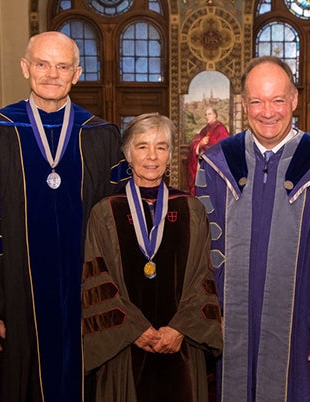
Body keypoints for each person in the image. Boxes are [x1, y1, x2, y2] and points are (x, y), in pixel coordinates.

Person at [0, 31, 128, 402]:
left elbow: (119, 227)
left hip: (87, 299)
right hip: (15, 298)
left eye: (62, 66)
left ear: (77, 73)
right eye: (42, 64)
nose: (52, 74)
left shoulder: (101, 137)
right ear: (25, 67)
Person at [195, 55, 310, 401]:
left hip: (302, 335)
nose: (268, 111)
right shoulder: (217, 167)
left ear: (294, 100)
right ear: (243, 104)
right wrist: (207, 315)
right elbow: (203, 252)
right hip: (232, 330)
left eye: (278, 100)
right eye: (257, 101)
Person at [81, 112, 223, 402]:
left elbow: (203, 278)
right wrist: (135, 329)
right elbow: (99, 283)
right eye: (142, 145)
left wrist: (179, 328)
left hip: (181, 342)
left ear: (171, 154)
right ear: (127, 153)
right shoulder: (106, 212)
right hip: (125, 345)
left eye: (161, 146)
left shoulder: (191, 209)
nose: (152, 156)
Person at [187, 107, 229, 195]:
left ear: (215, 115)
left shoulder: (220, 129)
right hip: (202, 164)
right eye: (205, 114)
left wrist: (206, 148)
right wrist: (200, 144)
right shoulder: (205, 129)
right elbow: (195, 141)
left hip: (214, 167)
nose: (207, 116)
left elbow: (224, 147)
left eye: (209, 114)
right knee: (202, 190)